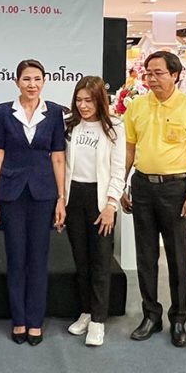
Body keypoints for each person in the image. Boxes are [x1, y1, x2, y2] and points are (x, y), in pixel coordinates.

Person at [120, 51, 186, 347]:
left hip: (175, 188)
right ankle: (151, 315)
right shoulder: (136, 106)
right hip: (142, 186)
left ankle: (178, 318)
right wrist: (121, 185)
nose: (152, 78)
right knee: (146, 256)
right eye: (148, 73)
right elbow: (129, 149)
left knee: (176, 256)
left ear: (175, 75)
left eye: (159, 73)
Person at [0, 59, 66, 346]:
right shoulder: (3, 112)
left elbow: (58, 158)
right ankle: (18, 319)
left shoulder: (54, 113)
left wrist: (61, 198)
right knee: (16, 257)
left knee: (38, 259)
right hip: (11, 194)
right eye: (26, 79)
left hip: (44, 194)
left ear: (44, 81)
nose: (32, 84)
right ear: (17, 82)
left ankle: (35, 321)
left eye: (37, 79)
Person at [63, 76, 125, 347]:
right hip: (74, 197)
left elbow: (118, 169)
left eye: (89, 100)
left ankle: (98, 320)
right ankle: (86, 311)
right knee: (81, 258)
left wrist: (111, 204)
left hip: (100, 199)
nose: (83, 105)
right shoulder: (69, 125)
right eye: (79, 100)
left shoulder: (115, 127)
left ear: (100, 100)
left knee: (101, 260)